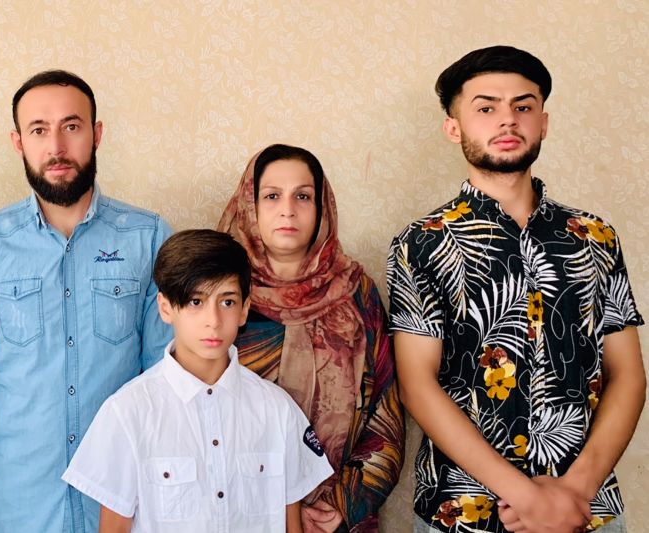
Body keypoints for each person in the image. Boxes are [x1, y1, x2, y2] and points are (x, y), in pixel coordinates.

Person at [387, 45, 645, 533]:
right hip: (462, 513)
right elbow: (416, 385)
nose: (507, 121)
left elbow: (628, 375)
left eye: (523, 106)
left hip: (585, 511)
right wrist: (525, 495)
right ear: (454, 127)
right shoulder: (422, 243)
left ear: (543, 122)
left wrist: (576, 491)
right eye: (485, 108)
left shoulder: (595, 236)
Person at [0, 70, 173, 533]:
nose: (56, 146)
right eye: (39, 129)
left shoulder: (150, 238)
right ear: (18, 142)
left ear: (97, 134)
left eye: (72, 126)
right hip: (16, 503)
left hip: (123, 501)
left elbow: (167, 379)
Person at [63, 229, 334, 532]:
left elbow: (291, 525)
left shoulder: (277, 410)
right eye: (195, 301)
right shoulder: (127, 413)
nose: (213, 320)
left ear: (245, 308)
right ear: (166, 308)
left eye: (227, 302)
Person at [216, 144, 404, 532]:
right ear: (249, 206)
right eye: (271, 196)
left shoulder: (357, 292)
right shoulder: (218, 294)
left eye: (303, 196)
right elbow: (192, 414)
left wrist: (342, 504)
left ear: (322, 207)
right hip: (240, 514)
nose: (288, 209)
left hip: (338, 520)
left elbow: (386, 412)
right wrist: (282, 510)